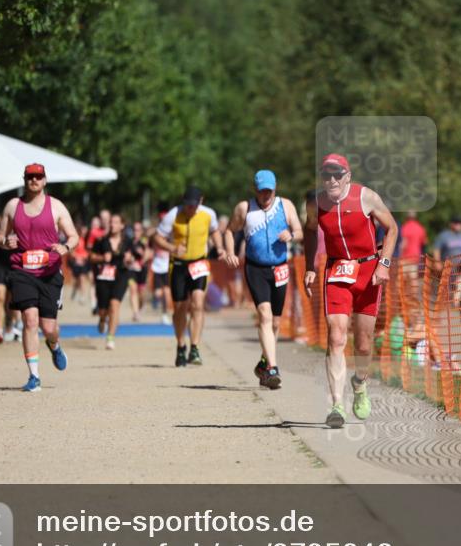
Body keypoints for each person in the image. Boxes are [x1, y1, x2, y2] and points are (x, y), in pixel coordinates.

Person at [304, 154, 398, 428]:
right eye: (326, 175)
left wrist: (384, 264)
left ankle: (360, 383)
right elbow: (310, 231)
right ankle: (336, 405)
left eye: (337, 174)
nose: (331, 180)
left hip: (369, 272)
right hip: (336, 272)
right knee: (336, 336)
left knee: (364, 343)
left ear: (348, 176)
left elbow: (392, 228)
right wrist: (310, 265)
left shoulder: (366, 197)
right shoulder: (316, 203)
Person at [0, 163, 78, 392]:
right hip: (22, 271)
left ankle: (54, 345)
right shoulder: (13, 206)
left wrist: (65, 247)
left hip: (49, 273)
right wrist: (5, 242)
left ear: (45, 180)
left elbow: (74, 236)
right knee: (30, 320)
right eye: (30, 176)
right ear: (24, 180)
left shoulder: (56, 206)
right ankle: (34, 376)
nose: (34, 180)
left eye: (38, 176)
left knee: (48, 327)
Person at [224, 169, 304, 389]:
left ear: (275, 188)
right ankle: (273, 368)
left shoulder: (286, 205)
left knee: (276, 322)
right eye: (261, 191)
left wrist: (291, 235)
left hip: (279, 268)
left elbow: (299, 231)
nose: (265, 195)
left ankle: (263, 362)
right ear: (255, 190)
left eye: (269, 191)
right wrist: (230, 252)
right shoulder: (245, 208)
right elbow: (229, 230)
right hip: (255, 268)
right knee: (264, 314)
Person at [154, 185, 225, 367]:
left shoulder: (208, 214)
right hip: (178, 265)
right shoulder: (173, 215)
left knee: (198, 303)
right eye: (187, 204)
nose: (190, 208)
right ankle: (181, 346)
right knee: (180, 308)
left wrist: (219, 247)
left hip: (199, 263)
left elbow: (215, 231)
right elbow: (157, 237)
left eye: (193, 205)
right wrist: (172, 248)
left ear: (201, 201)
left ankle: (194, 348)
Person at [90, 213, 136, 350]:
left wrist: (130, 259)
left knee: (114, 305)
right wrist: (102, 258)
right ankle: (102, 319)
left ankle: (110, 337)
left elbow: (134, 257)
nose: (112, 225)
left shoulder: (128, 241)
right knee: (103, 310)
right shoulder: (101, 240)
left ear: (122, 225)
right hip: (104, 276)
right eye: (111, 222)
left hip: (121, 275)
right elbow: (91, 257)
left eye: (115, 222)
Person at [127, 220, 149, 321]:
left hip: (142, 270)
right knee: (133, 289)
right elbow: (126, 254)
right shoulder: (129, 241)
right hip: (131, 269)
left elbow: (149, 254)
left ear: (142, 231)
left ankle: (141, 306)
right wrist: (129, 259)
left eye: (138, 230)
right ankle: (135, 313)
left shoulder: (144, 241)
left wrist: (143, 257)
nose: (136, 232)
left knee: (141, 293)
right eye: (134, 230)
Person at [68, 222, 91, 305]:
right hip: (77, 263)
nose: (84, 231)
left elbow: (90, 252)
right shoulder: (77, 240)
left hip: (85, 263)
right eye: (83, 230)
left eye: (86, 230)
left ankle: (82, 296)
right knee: (78, 280)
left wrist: (86, 256)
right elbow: (71, 252)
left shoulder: (88, 240)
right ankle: (75, 291)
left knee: (82, 279)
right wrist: (78, 257)